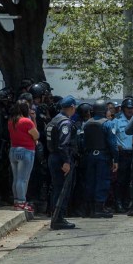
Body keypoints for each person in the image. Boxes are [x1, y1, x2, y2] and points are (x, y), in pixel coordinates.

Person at [46, 95, 79, 230]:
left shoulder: (54, 120)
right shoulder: (65, 122)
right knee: (62, 189)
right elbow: (63, 144)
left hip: (53, 157)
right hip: (61, 159)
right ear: (71, 107)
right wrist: (66, 161)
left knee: (57, 188)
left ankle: (57, 216)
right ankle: (58, 218)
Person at [82, 100, 118, 218]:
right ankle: (99, 208)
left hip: (89, 156)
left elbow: (83, 142)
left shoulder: (87, 123)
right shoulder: (108, 123)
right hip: (103, 156)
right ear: (104, 111)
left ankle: (89, 209)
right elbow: (112, 143)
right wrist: (115, 159)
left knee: (90, 182)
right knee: (102, 181)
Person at [7, 99, 38, 212]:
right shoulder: (26, 121)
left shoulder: (11, 121)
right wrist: (34, 118)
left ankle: (17, 201)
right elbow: (36, 135)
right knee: (23, 179)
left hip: (14, 150)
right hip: (26, 151)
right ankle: (21, 202)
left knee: (16, 178)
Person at [109, 97, 133, 213]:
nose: (131, 110)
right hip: (122, 154)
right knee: (120, 180)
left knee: (131, 180)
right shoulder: (117, 120)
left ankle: (127, 202)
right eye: (128, 108)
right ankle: (118, 203)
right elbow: (112, 137)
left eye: (132, 108)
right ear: (123, 108)